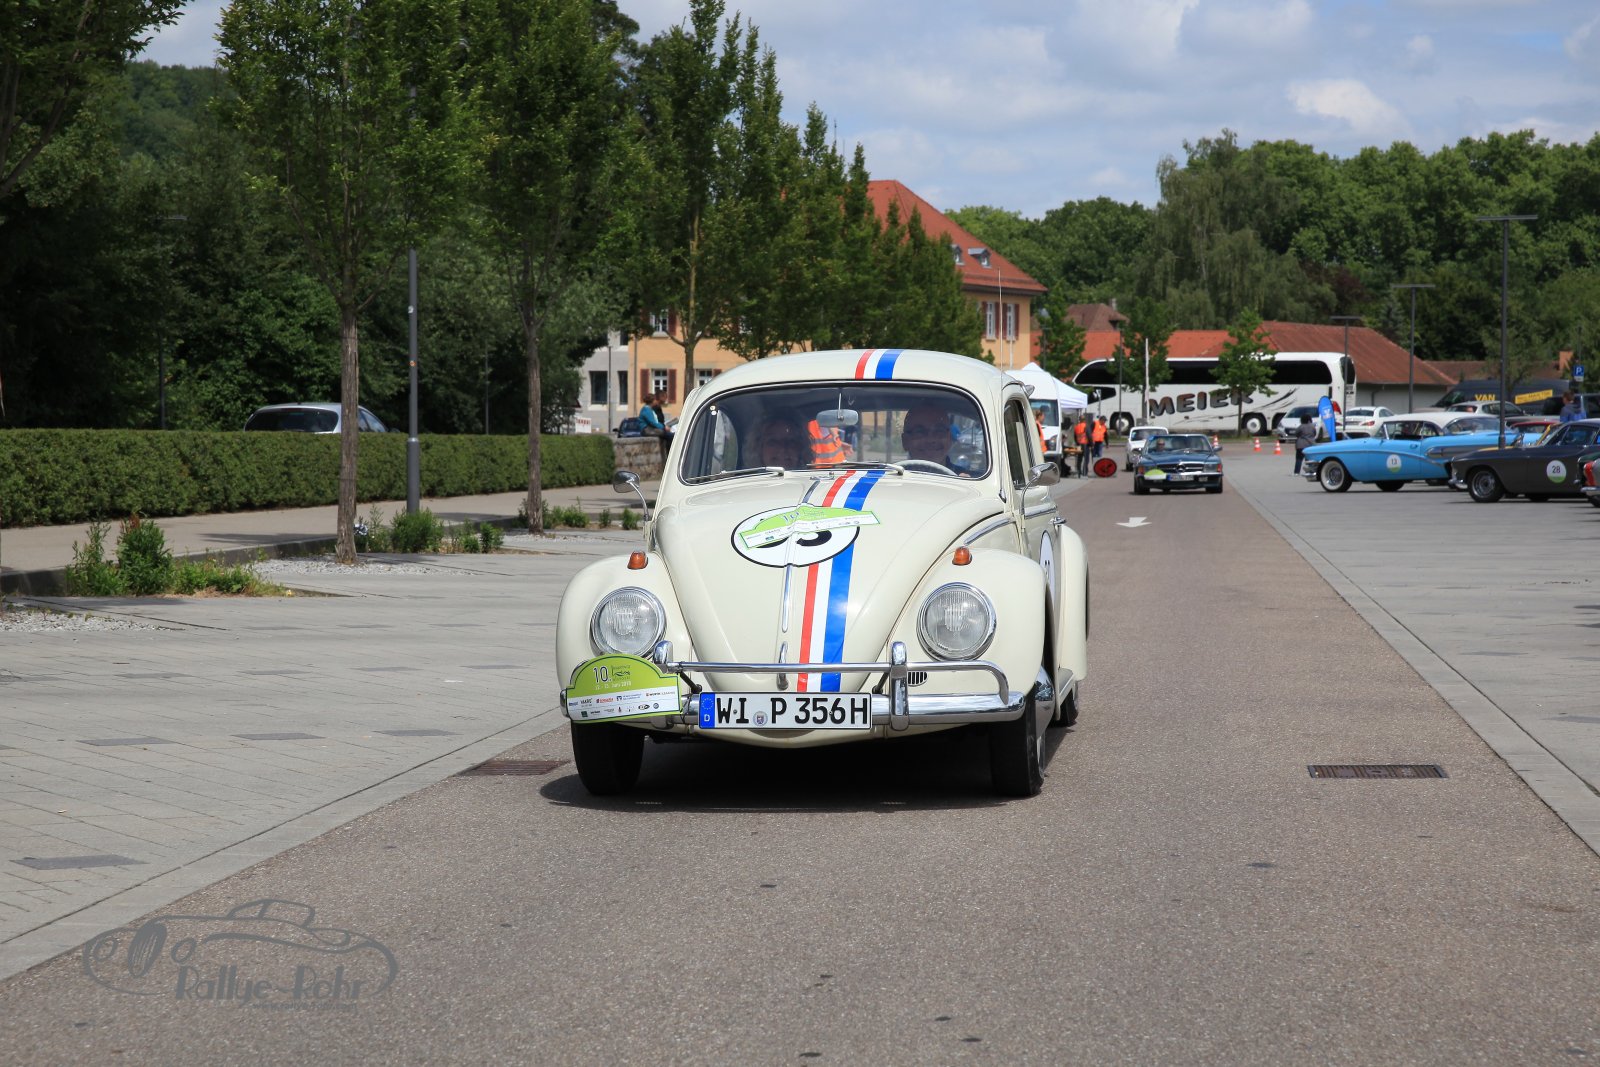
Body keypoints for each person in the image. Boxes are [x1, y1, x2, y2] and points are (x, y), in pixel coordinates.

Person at [902, 405, 964, 471]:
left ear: (949, 438)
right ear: (905, 441)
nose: (930, 440)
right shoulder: (894, 475)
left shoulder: (965, 476)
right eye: (920, 432)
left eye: (939, 431)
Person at [1293, 408, 1318, 474]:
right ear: (1309, 419)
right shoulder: (1312, 426)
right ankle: (1310, 471)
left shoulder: (1300, 427)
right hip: (1310, 445)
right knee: (1309, 459)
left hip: (1300, 445)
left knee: (1299, 459)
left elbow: (1296, 434)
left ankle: (1296, 472)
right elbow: (1314, 434)